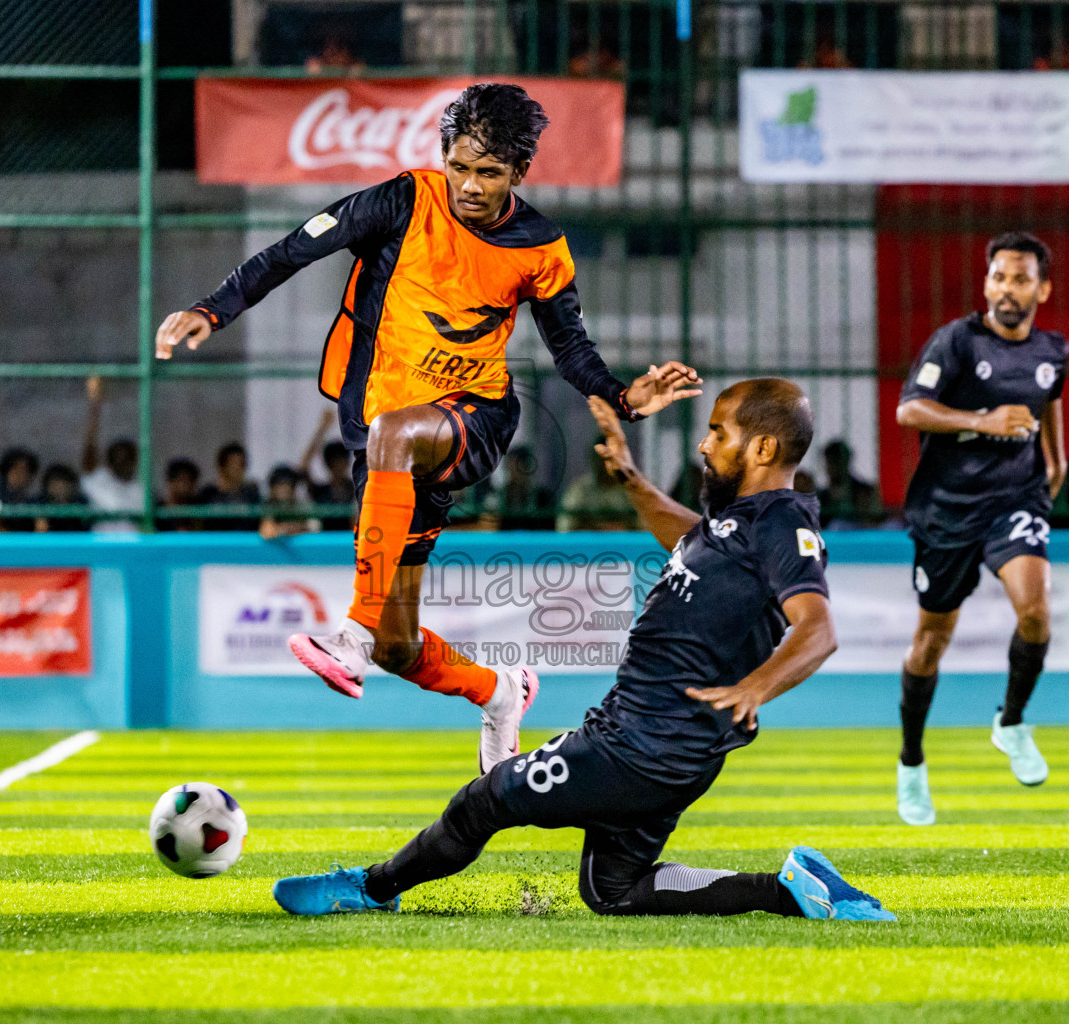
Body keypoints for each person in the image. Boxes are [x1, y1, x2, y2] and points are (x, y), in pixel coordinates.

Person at [156, 82, 700, 771]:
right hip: (385, 443)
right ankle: (499, 691)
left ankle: (347, 636)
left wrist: (624, 397)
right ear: (443, 156)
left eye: (490, 173)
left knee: (393, 444)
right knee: (398, 644)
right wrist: (213, 309)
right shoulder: (402, 200)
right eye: (461, 166)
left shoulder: (541, 247)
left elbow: (570, 349)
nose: (470, 185)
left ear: (519, 174)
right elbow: (291, 251)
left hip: (473, 418)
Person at [271, 379, 893, 923]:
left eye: (717, 433)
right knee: (613, 891)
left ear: (762, 448)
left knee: (481, 802)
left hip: (638, 747)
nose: (704, 445)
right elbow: (695, 538)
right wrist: (631, 479)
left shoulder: (784, 524)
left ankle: (370, 890)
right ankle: (788, 890)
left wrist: (754, 688)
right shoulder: (744, 522)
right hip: (671, 752)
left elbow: (818, 628)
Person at [893, 231, 1069, 826]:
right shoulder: (958, 341)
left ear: (1042, 289)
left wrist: (1056, 463)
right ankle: (912, 762)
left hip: (1014, 500)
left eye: (1020, 279)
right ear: (987, 283)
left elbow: (1048, 403)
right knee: (930, 643)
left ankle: (1012, 722)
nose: (1006, 289)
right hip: (946, 511)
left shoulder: (1052, 350)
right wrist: (985, 421)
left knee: (1036, 612)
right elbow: (909, 410)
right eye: (998, 277)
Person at [80, 376, 142, 532]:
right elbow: (89, 449)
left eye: (127, 458)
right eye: (117, 459)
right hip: (102, 552)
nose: (122, 463)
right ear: (108, 462)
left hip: (133, 553)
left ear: (135, 460)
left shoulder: (141, 491)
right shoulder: (99, 482)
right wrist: (95, 405)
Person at [556, 439, 638, 531]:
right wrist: (594, 528)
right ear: (594, 460)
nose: (605, 465)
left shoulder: (632, 491)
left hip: (624, 544)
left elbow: (646, 531)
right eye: (602, 460)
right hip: (588, 544)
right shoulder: (580, 491)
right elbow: (564, 528)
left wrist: (619, 528)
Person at [817, 439, 882, 528]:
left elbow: (875, 518)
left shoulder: (863, 492)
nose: (833, 467)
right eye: (830, 462)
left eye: (836, 462)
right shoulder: (821, 497)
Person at [34, 464, 86, 532]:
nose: (59, 488)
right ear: (47, 485)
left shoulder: (81, 503)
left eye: (63, 484)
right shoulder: (38, 502)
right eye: (55, 484)